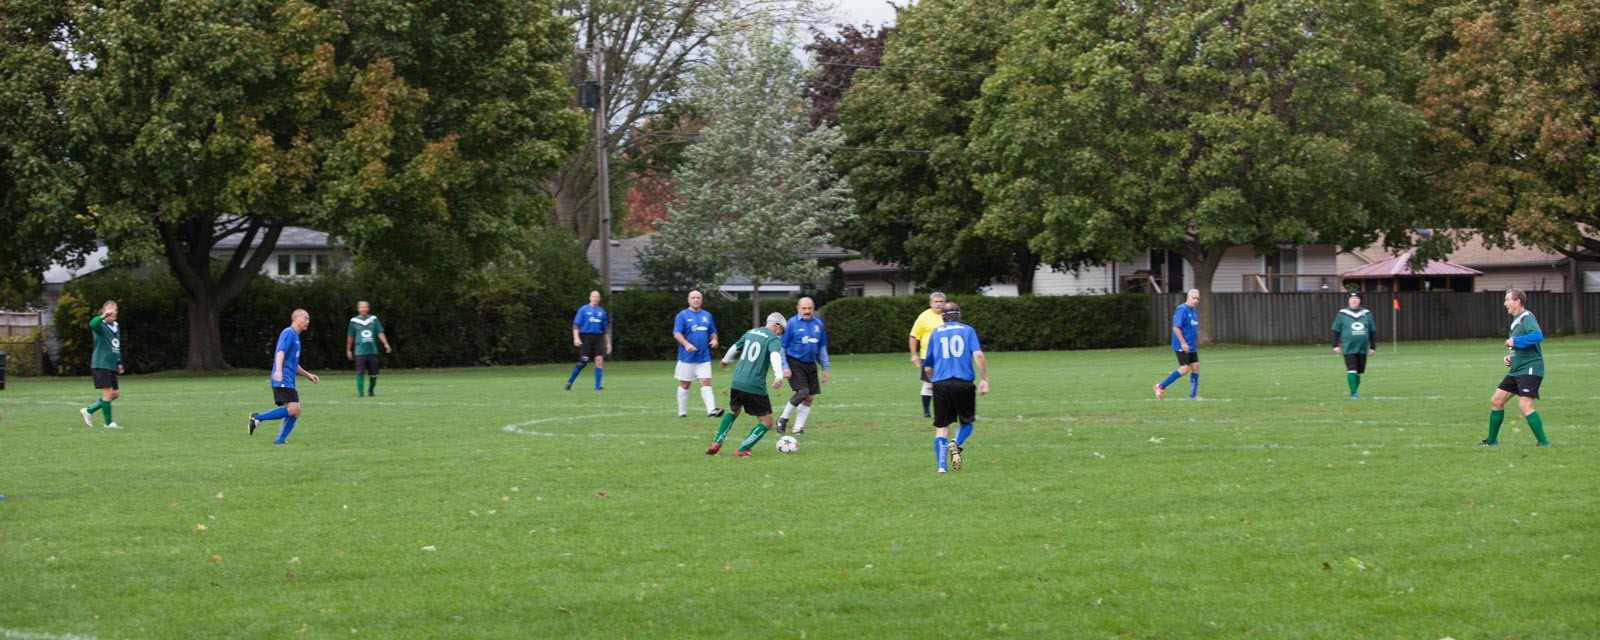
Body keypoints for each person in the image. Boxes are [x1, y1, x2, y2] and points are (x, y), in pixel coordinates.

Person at [706, 312, 790, 457]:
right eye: (782, 331)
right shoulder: (773, 338)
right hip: (754, 384)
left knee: (733, 411)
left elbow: (734, 348)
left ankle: (717, 442)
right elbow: (775, 355)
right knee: (767, 421)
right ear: (778, 327)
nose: (781, 334)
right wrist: (778, 375)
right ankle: (742, 448)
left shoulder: (751, 332)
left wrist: (726, 360)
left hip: (737, 381)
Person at [922, 302, 988, 474]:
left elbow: (927, 367)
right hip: (963, 383)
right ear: (959, 315)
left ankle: (941, 466)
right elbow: (978, 354)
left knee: (942, 427)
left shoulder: (935, 333)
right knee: (966, 422)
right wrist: (984, 379)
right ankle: (956, 443)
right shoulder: (968, 330)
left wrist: (933, 382)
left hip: (941, 384)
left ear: (942, 317)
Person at [1482, 289, 1549, 447]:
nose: (1505, 303)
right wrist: (1511, 356)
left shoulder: (1526, 316)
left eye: (1508, 300)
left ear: (1518, 301)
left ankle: (1544, 443)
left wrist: (1515, 341)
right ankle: (1491, 441)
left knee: (1524, 406)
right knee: (1496, 400)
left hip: (1530, 368)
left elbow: (1537, 336)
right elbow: (1521, 345)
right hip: (1517, 369)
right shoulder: (1516, 320)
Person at [248, 310, 320, 445]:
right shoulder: (289, 333)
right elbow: (280, 352)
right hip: (283, 378)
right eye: (305, 318)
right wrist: (279, 371)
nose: (308, 321)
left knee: (296, 411)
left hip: (287, 379)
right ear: (296, 319)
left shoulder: (295, 337)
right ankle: (257, 418)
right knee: (293, 409)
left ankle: (279, 440)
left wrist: (308, 375)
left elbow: (293, 363)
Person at [776, 297, 828, 435]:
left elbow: (821, 348)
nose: (807, 311)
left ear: (813, 308)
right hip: (794, 362)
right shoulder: (791, 324)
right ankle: (783, 418)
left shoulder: (819, 324)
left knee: (809, 397)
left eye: (809, 308)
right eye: (804, 308)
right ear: (798, 308)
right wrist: (785, 366)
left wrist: (825, 368)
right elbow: (782, 346)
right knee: (803, 392)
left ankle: (798, 428)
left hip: (810, 363)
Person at [673, 290, 724, 418]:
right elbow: (677, 333)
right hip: (687, 357)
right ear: (688, 300)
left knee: (705, 382)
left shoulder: (707, 315)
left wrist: (714, 340)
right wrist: (687, 345)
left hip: (703, 357)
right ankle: (682, 412)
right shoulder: (682, 315)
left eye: (698, 298)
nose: (696, 300)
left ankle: (711, 411)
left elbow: (712, 331)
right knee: (685, 384)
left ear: (701, 300)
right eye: (693, 298)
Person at [78, 300, 124, 429]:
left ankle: (88, 411)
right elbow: (92, 323)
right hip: (101, 363)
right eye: (110, 310)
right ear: (103, 311)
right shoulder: (100, 325)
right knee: (108, 392)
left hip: (111, 364)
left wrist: (119, 361)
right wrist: (103, 316)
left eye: (115, 310)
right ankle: (108, 423)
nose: (113, 312)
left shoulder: (116, 326)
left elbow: (116, 344)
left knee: (115, 393)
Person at [1154, 289, 1201, 400]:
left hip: (1191, 345)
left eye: (1197, 298)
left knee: (1196, 367)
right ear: (1188, 298)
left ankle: (1193, 396)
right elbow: (1176, 327)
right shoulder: (1182, 309)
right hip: (1182, 345)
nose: (1195, 300)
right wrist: (1183, 343)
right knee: (1184, 369)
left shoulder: (1193, 310)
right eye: (1193, 298)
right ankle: (1160, 386)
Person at [908, 292, 948, 418]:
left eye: (941, 302)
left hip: (946, 355)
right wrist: (913, 354)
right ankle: (926, 411)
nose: (939, 304)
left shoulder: (948, 315)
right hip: (928, 356)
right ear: (931, 303)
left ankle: (945, 408)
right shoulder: (924, 316)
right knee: (928, 383)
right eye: (936, 302)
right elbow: (913, 336)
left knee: (946, 382)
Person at [1331, 291, 1377, 398]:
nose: (1354, 301)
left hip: (1362, 348)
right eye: (1351, 299)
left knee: (1358, 372)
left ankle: (1355, 390)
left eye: (1356, 298)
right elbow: (1336, 330)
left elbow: (1372, 331)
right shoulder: (1342, 314)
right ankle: (1353, 393)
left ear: (1360, 301)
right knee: (1351, 369)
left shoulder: (1366, 313)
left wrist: (1373, 346)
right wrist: (1335, 345)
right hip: (1348, 347)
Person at [566, 290, 612, 391]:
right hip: (586, 336)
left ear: (599, 299)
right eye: (593, 296)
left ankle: (597, 387)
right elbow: (576, 325)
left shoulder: (602, 312)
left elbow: (604, 329)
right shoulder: (583, 309)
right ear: (590, 297)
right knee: (584, 361)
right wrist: (576, 337)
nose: (595, 299)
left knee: (599, 360)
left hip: (598, 337)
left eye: (597, 297)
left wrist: (608, 344)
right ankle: (569, 381)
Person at [345, 301, 392, 397]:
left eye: (366, 307)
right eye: (362, 307)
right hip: (360, 351)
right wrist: (348, 349)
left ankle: (371, 390)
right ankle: (360, 392)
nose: (364, 309)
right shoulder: (353, 321)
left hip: (372, 351)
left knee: (374, 373)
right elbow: (350, 336)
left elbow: (380, 332)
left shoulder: (373, 319)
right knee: (360, 372)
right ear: (358, 309)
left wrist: (386, 344)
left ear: (368, 308)